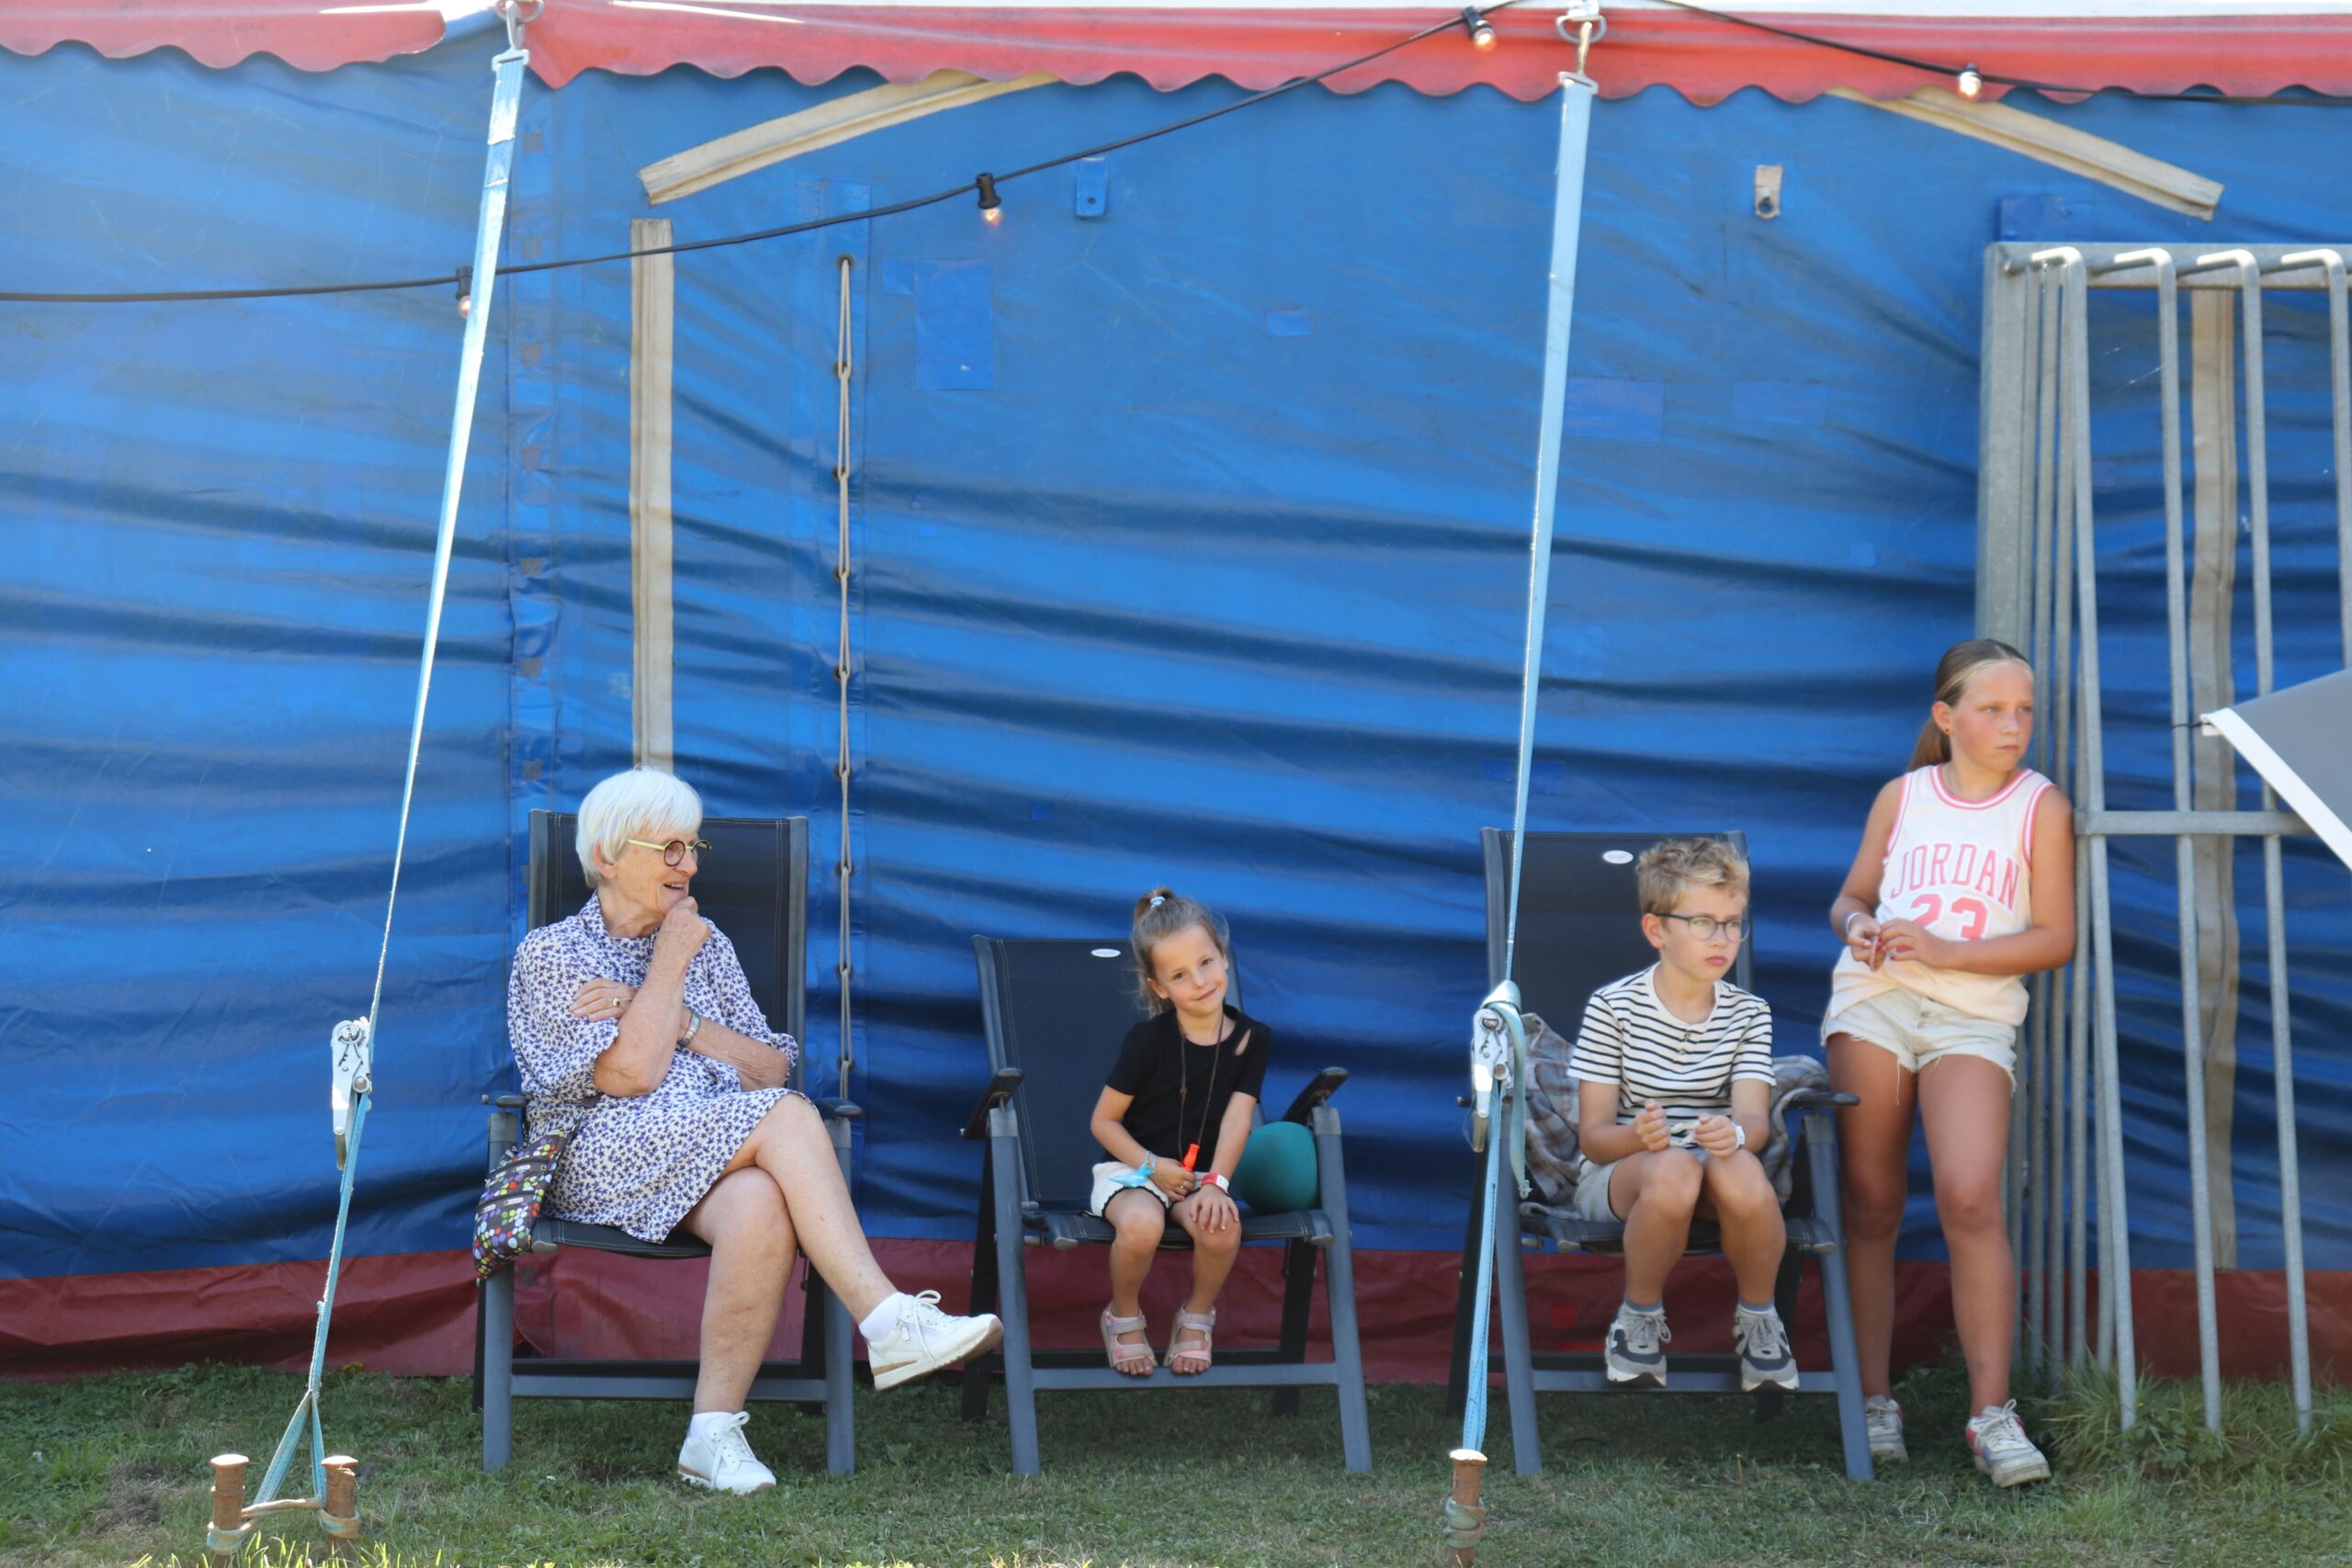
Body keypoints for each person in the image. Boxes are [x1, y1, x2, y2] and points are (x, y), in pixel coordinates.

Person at [508, 767, 1001, 1495]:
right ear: (608, 855)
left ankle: (711, 1435)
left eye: (692, 846)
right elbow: (630, 1075)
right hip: (598, 1151)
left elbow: (768, 1066)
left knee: (763, 1200)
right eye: (669, 848)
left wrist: (677, 1016)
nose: (688, 864)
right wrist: (669, 961)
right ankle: (886, 1317)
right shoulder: (554, 954)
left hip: (708, 1144)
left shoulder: (709, 945)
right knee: (790, 1115)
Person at [1826, 637, 2073, 1487]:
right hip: (1876, 1002)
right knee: (1871, 1201)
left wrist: (1945, 950)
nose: (2014, 725)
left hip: (1973, 1016)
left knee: (1969, 1194)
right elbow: (1850, 897)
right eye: (1993, 708)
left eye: (2025, 709)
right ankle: (1871, 1399)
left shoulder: (2040, 805)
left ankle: (1991, 1414)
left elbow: (2056, 937)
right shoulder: (1903, 795)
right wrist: (1859, 926)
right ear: (1946, 716)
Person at [1568, 837, 1796, 1395]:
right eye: (1702, 923)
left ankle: (1760, 1319)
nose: (1722, 939)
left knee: (1741, 1166)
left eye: (1733, 924)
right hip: (1627, 1174)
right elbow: (1593, 1139)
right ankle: (1639, 1316)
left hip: (1712, 1172)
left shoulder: (1750, 1014)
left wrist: (1733, 1133)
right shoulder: (1612, 1008)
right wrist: (1636, 1136)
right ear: (1657, 931)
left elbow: (1755, 1124)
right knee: (1674, 1168)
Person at [1086, 889, 1272, 1376]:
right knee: (1142, 1226)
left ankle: (1196, 1315)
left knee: (1222, 1226)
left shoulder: (1253, 1039)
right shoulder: (1147, 1041)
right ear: (1160, 988)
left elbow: (1237, 1118)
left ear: (1224, 957)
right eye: (1180, 975)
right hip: (1133, 1170)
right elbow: (1103, 1122)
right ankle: (1123, 1313)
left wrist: (1217, 1185)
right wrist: (1152, 1167)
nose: (1201, 981)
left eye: (1206, 962)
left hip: (1197, 1177)